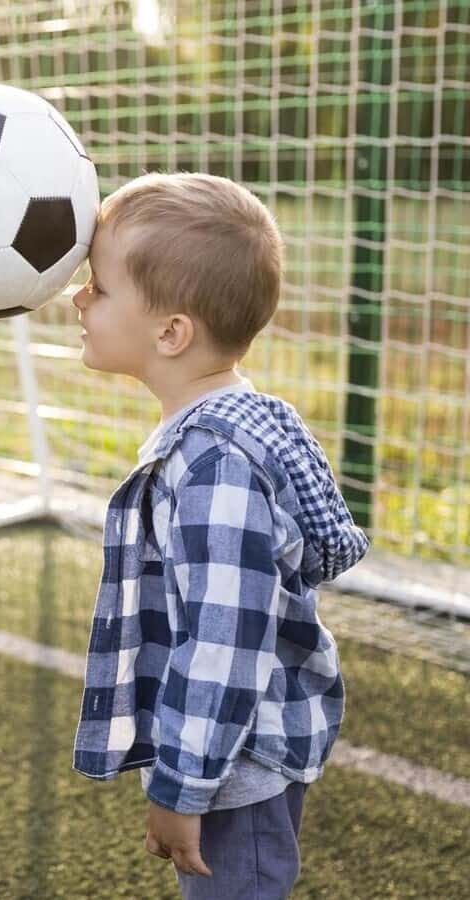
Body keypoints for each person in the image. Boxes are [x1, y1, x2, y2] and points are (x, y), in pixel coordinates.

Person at [70, 172, 368, 899]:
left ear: (172, 333)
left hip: (235, 764)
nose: (78, 298)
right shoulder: (227, 428)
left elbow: (224, 641)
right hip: (233, 751)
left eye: (99, 288)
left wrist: (182, 784)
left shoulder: (216, 468)